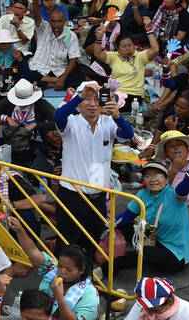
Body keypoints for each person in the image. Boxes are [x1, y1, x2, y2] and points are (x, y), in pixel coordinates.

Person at [53, 81, 133, 250]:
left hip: (98, 197)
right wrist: (80, 95)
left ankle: (86, 275)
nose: (92, 104)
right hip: (72, 195)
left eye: (97, 99)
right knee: (67, 242)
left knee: (92, 241)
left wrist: (118, 116)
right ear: (78, 103)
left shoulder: (108, 122)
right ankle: (62, 276)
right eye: (86, 99)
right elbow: (58, 116)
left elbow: (128, 134)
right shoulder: (71, 123)